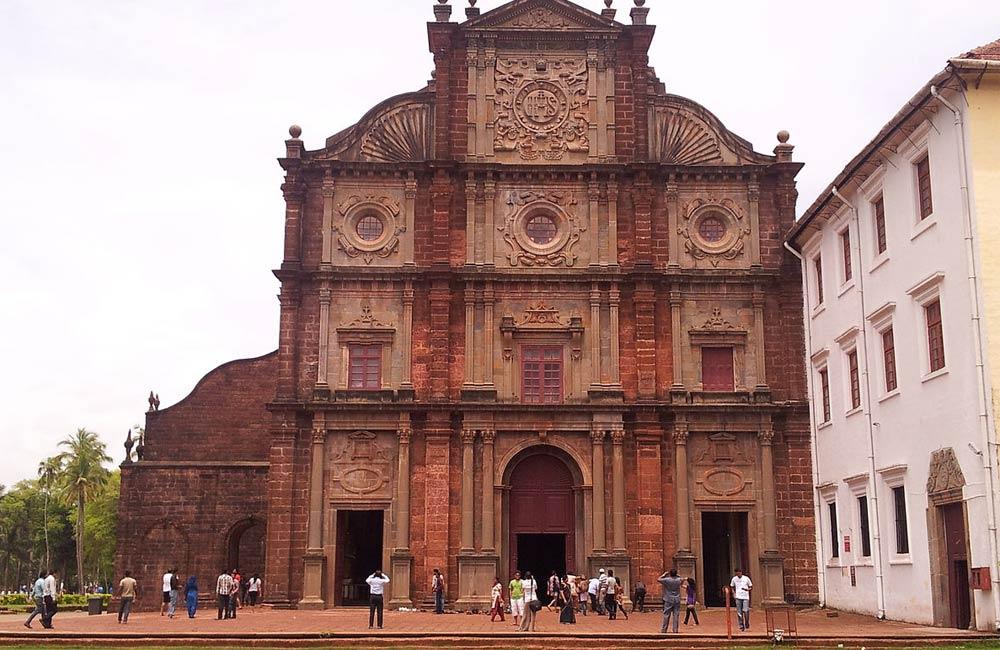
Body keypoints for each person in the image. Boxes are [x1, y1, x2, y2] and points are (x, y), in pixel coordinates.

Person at [658, 568, 683, 634]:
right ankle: (675, 629)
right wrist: (678, 575)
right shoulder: (679, 580)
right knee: (676, 615)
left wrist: (664, 574)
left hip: (668, 598)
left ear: (670, 574)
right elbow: (681, 579)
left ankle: (664, 629)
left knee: (666, 614)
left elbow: (658, 579)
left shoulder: (667, 580)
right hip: (677, 599)